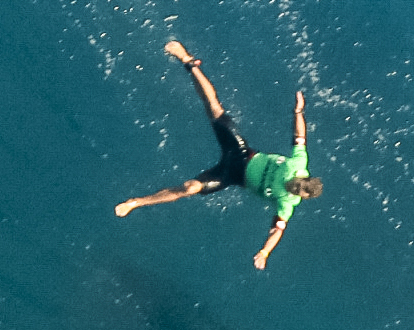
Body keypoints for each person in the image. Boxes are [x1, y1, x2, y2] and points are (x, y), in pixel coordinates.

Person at [115, 40, 322, 269]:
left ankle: (135, 202)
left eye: (300, 194)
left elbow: (276, 231)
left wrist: (264, 252)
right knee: (214, 107)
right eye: (299, 187)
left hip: (232, 175)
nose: (296, 191)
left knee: (189, 188)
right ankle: (188, 61)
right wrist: (298, 111)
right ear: (303, 179)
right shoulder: (298, 163)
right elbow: (299, 136)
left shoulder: (287, 203)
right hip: (242, 153)